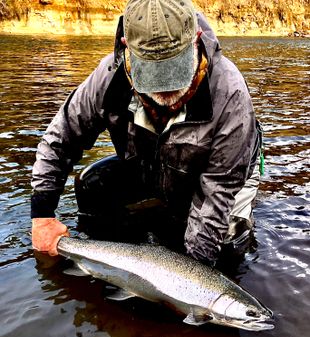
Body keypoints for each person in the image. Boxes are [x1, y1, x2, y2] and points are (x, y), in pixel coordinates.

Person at [31, 0, 262, 265]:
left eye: (175, 71)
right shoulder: (109, 77)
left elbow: (216, 195)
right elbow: (61, 139)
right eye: (153, 74)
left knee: (227, 246)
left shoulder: (229, 94)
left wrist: (190, 283)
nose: (166, 93)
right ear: (127, 46)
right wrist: (43, 216)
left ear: (196, 40)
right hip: (150, 166)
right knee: (91, 186)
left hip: (217, 176)